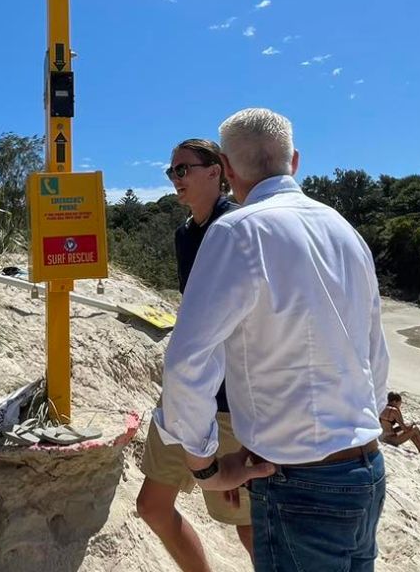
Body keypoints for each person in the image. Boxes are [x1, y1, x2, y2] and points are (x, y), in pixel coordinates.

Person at [158, 108, 390, 572]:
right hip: (366, 469)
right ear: (295, 161)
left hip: (297, 480)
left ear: (224, 167)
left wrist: (204, 466)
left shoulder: (238, 230)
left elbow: (187, 361)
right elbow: (374, 356)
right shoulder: (344, 230)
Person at [136, 138, 249, 570]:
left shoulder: (240, 227)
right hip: (186, 391)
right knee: (152, 506)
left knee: (246, 524)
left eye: (183, 169)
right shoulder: (185, 235)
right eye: (172, 171)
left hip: (230, 401)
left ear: (215, 171)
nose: (175, 179)